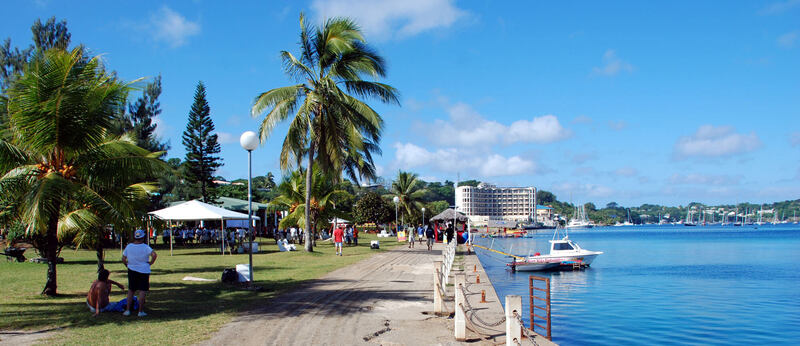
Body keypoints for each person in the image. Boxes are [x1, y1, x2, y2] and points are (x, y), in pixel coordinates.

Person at [122, 229, 157, 317]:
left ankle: (127, 310)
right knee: (142, 290)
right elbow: (154, 255)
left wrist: (127, 265)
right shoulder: (145, 247)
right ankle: (140, 311)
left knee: (131, 290)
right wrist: (151, 262)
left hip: (132, 269)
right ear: (143, 237)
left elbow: (123, 258)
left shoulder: (129, 246)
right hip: (143, 270)